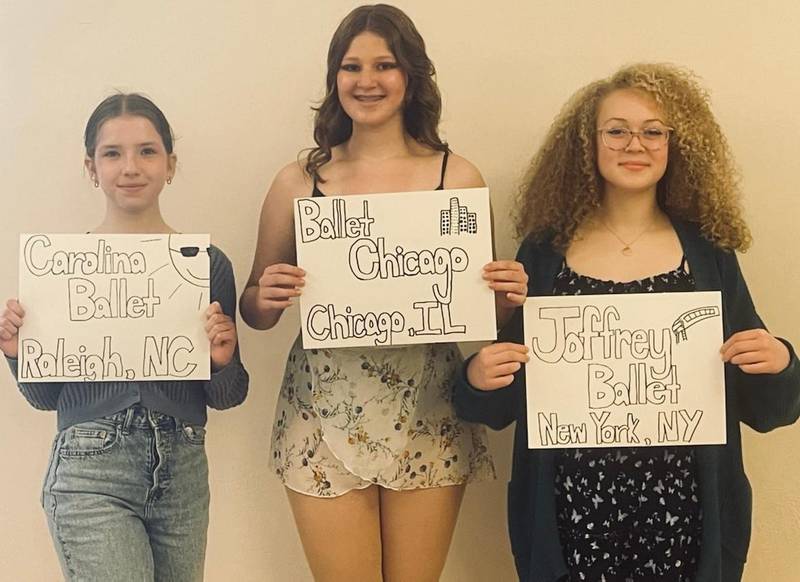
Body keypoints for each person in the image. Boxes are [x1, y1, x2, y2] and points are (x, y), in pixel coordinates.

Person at [454, 63, 800, 582]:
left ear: (675, 145)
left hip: (687, 522)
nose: (634, 144)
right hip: (569, 524)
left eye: (653, 131)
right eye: (616, 130)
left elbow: (765, 407)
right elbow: (503, 402)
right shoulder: (545, 253)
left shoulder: (708, 253)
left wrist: (780, 362)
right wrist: (477, 377)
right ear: (587, 144)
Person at [239, 5, 525, 581]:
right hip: (321, 407)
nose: (366, 81)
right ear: (333, 78)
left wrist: (507, 293)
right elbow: (254, 307)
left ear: (412, 76)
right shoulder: (298, 180)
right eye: (351, 67)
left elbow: (481, 312)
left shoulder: (458, 177)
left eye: (384, 65)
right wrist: (265, 297)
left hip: (431, 400)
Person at [0, 93, 249, 581]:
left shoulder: (207, 264)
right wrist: (15, 354)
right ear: (91, 166)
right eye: (112, 153)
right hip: (90, 464)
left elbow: (229, 395)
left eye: (147, 151)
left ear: (171, 164)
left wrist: (222, 359)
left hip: (182, 470)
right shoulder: (59, 268)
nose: (130, 166)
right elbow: (45, 398)